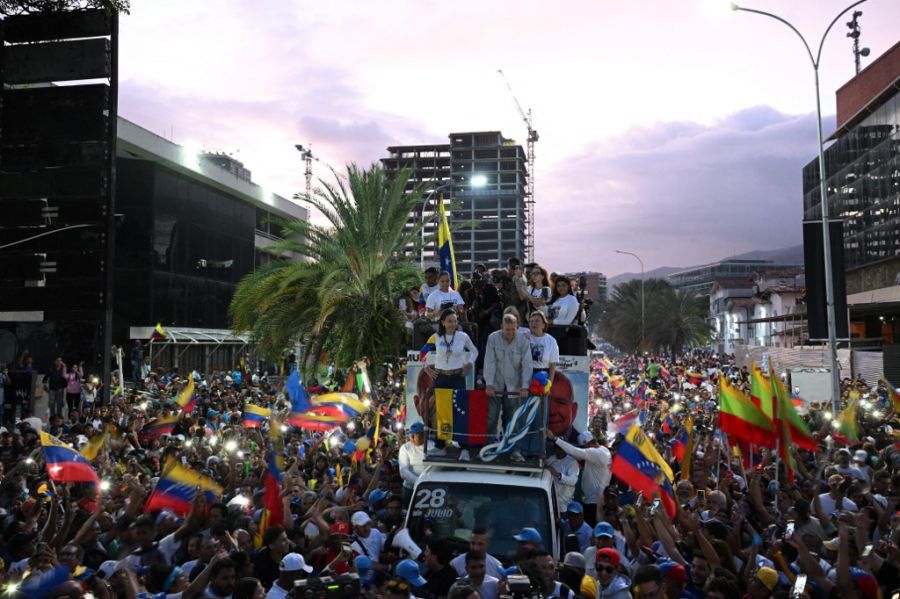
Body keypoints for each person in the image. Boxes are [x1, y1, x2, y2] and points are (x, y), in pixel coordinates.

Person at [423, 309, 478, 460]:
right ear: (442, 322)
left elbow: (474, 351)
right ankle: (440, 445)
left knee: (460, 411)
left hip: (457, 376)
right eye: (449, 321)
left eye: (454, 320)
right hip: (440, 377)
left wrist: (469, 364)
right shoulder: (436, 337)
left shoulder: (462, 336)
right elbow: (423, 353)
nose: (452, 324)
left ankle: (464, 449)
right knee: (440, 412)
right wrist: (426, 368)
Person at [483, 313, 533, 462]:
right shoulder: (493, 338)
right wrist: (489, 383)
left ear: (517, 327)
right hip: (496, 384)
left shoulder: (523, 341)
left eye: (513, 329)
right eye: (507, 329)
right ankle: (491, 448)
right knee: (491, 418)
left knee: (513, 420)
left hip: (515, 387)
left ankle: (514, 450)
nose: (510, 332)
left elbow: (527, 365)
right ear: (501, 328)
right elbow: (489, 361)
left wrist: (525, 386)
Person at [550, 430, 611, 527]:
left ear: (588, 444)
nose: (584, 450)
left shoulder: (596, 453)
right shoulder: (604, 450)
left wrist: (555, 439)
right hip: (594, 499)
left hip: (594, 502)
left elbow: (575, 452)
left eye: (584, 447)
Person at [398, 422, 427, 504]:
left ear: (423, 434)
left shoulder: (432, 447)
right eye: (410, 434)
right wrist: (419, 482)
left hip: (429, 487)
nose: (412, 437)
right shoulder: (405, 448)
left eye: (415, 434)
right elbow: (403, 471)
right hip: (410, 488)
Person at [548, 370, 580, 443]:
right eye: (544, 403)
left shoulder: (584, 448)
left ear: (573, 410)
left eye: (560, 402)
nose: (551, 411)